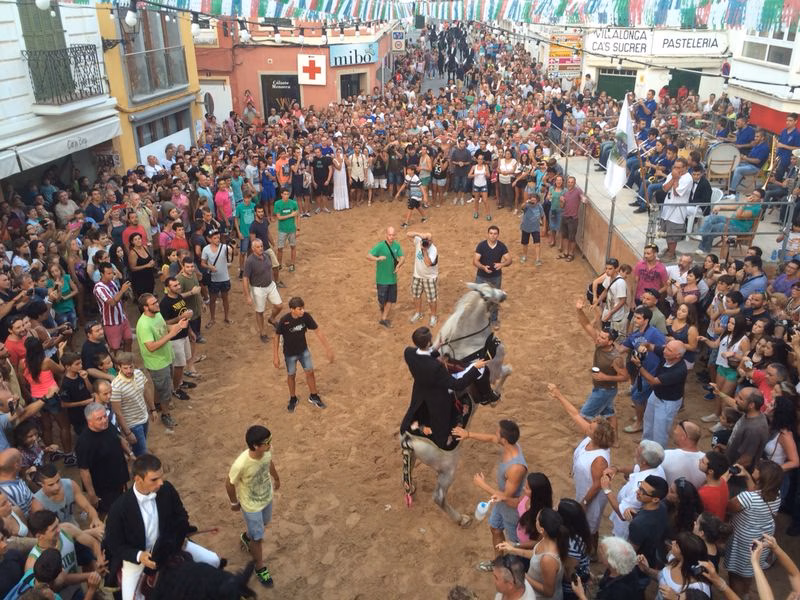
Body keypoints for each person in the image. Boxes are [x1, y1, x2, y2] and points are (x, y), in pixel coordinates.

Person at [105, 453, 220, 600]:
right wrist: (140, 556)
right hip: (139, 559)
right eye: (154, 479)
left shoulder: (167, 489)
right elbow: (115, 544)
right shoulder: (119, 508)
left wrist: (176, 539)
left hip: (170, 545)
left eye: (161, 477)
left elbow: (181, 516)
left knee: (214, 561)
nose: (160, 483)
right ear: (138, 479)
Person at [452, 420, 527, 567]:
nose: (495, 434)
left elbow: (506, 497)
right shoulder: (510, 446)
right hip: (500, 504)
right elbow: (490, 438)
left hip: (512, 510)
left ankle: (515, 573)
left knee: (514, 545)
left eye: (497, 432)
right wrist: (467, 434)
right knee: (495, 528)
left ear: (504, 440)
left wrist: (483, 485)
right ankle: (498, 563)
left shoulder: (516, 468)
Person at [547, 383, 614, 546]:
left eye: (590, 427)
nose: (587, 426)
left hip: (591, 496)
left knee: (590, 526)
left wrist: (584, 503)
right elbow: (575, 414)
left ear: (597, 435)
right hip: (583, 487)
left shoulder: (600, 459)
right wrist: (559, 395)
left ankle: (591, 552)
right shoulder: (592, 439)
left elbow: (597, 484)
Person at [401, 326, 489, 448]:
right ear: (428, 342)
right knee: (459, 407)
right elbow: (457, 385)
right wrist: (475, 368)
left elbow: (422, 356)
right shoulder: (436, 367)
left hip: (420, 393)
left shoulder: (408, 353)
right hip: (437, 399)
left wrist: (435, 349)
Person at [225, 424, 280, 588]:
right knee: (258, 537)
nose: (270, 444)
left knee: (263, 524)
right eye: (267, 442)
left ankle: (247, 537)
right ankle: (260, 567)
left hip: (266, 498)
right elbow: (229, 484)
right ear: (256, 446)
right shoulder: (241, 464)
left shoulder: (266, 452)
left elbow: (269, 463)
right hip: (251, 505)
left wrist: (276, 478)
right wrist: (234, 503)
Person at [724, 459, 783, 597]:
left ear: (761, 476)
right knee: (750, 568)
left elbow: (729, 506)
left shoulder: (747, 498)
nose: (754, 469)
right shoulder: (777, 494)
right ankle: (745, 593)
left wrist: (722, 484)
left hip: (742, 540)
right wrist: (746, 476)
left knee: (735, 573)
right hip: (761, 538)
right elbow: (756, 494)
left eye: (758, 468)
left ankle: (736, 595)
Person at [574, 298, 626, 434]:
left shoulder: (616, 358)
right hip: (604, 389)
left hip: (604, 390)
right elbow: (586, 325)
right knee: (609, 414)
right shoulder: (599, 343)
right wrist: (579, 310)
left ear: (610, 342)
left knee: (584, 416)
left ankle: (592, 442)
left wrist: (605, 377)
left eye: (603, 338)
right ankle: (615, 440)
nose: (598, 338)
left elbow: (625, 377)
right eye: (600, 336)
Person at [273, 297, 333, 412]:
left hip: (303, 351)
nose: (302, 311)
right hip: (290, 354)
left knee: (310, 372)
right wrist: (275, 356)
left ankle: (314, 396)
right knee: (291, 375)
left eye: (303, 308)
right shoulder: (284, 320)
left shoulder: (306, 317)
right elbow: (276, 337)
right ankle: (293, 398)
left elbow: (317, 331)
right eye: (299, 309)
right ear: (292, 309)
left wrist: (328, 348)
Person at [135, 293, 186, 429]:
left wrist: (178, 326)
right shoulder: (143, 325)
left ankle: (158, 404)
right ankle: (165, 414)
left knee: (162, 386)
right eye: (153, 303)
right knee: (165, 389)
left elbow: (164, 328)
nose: (157, 304)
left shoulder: (157, 314)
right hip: (157, 362)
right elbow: (151, 347)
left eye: (156, 301)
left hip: (166, 356)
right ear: (145, 308)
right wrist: (171, 335)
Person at [601, 439, 666, 539]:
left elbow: (622, 514)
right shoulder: (656, 467)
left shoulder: (639, 488)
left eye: (638, 451)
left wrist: (607, 489)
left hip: (625, 528)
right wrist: (617, 469)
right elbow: (635, 468)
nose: (635, 452)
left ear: (644, 461)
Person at [75, 402, 130, 514]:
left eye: (105, 416)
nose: (104, 420)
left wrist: (130, 453)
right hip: (104, 488)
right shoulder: (84, 442)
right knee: (110, 514)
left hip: (119, 478)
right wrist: (92, 495)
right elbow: (84, 471)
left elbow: (118, 438)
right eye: (99, 419)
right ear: (89, 421)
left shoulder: (108, 426)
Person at [631, 340, 688, 448]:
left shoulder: (679, 370)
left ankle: (657, 453)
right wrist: (644, 346)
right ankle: (645, 444)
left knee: (660, 431)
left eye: (669, 350)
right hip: (656, 395)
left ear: (678, 355)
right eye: (666, 347)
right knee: (648, 421)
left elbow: (653, 381)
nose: (664, 350)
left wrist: (639, 366)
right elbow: (650, 345)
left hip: (668, 403)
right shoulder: (666, 352)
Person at [109, 352, 157, 458]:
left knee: (141, 446)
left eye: (131, 367)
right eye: (125, 368)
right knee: (142, 453)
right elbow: (118, 412)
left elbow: (146, 391)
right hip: (132, 424)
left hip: (144, 417)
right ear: (119, 367)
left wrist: (153, 409)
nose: (129, 371)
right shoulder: (116, 386)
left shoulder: (139, 374)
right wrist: (128, 432)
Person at [159, 277, 195, 401]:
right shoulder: (164, 303)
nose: (178, 287)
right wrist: (180, 317)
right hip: (174, 338)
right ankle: (175, 389)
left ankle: (179, 383)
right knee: (179, 365)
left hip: (184, 334)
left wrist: (190, 331)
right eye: (175, 286)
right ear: (168, 288)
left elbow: (184, 315)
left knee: (183, 361)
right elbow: (165, 323)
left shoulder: (179, 297)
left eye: (178, 284)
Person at [569, 537, 640, 600]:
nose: (599, 551)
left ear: (611, 561)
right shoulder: (625, 567)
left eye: (602, 551)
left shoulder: (618, 592)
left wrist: (581, 595)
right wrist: (596, 579)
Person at [243, 239, 284, 343]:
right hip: (258, 289)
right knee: (260, 311)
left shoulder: (266, 256)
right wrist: (247, 295)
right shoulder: (249, 261)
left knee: (279, 305)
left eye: (261, 246)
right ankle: (262, 332)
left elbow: (269, 270)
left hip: (270, 285)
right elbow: (245, 279)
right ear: (253, 249)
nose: (261, 248)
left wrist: (274, 282)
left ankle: (272, 319)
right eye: (258, 247)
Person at [473, 226, 511, 327]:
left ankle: (493, 319)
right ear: (487, 234)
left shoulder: (501, 246)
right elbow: (475, 261)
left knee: (494, 298)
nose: (493, 235)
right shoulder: (481, 245)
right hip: (481, 276)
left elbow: (509, 260)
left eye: (495, 234)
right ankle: (479, 320)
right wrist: (483, 267)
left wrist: (502, 264)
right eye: (491, 233)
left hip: (496, 277)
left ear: (498, 235)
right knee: (479, 298)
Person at [92, 263, 133, 358]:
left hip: (122, 318)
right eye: (108, 273)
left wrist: (124, 313)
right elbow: (112, 302)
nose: (111, 275)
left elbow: (119, 301)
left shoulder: (112, 282)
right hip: (111, 322)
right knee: (115, 348)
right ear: (102, 274)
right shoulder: (99, 288)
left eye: (112, 273)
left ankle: (127, 361)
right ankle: (117, 367)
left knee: (128, 340)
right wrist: (122, 291)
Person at [367, 226, 404, 327]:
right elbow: (368, 256)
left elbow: (402, 257)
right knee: (382, 300)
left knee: (390, 299)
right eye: (389, 235)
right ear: (386, 235)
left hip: (392, 278)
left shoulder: (397, 246)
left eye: (393, 235)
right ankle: (382, 306)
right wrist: (378, 258)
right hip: (382, 279)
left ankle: (383, 318)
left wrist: (399, 265)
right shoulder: (380, 246)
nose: (391, 237)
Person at [725, 387, 769, 472]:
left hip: (737, 474)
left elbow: (746, 460)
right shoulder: (749, 413)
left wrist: (727, 471)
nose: (736, 399)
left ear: (751, 405)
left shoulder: (754, 429)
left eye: (740, 398)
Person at [406, 230, 439, 327]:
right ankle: (418, 313)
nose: (426, 243)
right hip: (417, 275)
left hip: (430, 278)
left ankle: (433, 316)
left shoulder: (433, 250)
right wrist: (420, 235)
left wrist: (424, 250)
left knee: (432, 299)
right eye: (425, 240)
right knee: (416, 295)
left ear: (431, 241)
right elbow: (408, 234)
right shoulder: (418, 242)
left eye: (428, 241)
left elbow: (428, 263)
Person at [661, 420, 705, 488]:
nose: (674, 431)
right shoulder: (706, 460)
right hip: (694, 497)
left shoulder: (666, 455)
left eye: (676, 430)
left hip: (670, 497)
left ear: (683, 437)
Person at [557, 176, 588, 262]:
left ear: (575, 183)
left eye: (572, 182)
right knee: (565, 236)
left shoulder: (577, 190)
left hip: (573, 219)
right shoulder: (565, 193)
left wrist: (583, 199)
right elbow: (561, 206)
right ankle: (566, 252)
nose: (570, 183)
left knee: (572, 238)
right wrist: (561, 201)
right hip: (565, 217)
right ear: (567, 183)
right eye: (569, 182)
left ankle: (571, 254)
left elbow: (582, 197)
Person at [697, 451, 730, 520]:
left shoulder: (703, 494)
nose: (699, 460)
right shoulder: (723, 482)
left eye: (703, 461)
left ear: (711, 471)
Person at [273, 188, 299, 272]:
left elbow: (297, 215)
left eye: (287, 194)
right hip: (282, 230)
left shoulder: (293, 203)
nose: (286, 196)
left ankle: (292, 264)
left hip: (292, 229)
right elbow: (279, 217)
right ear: (281, 194)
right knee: (280, 248)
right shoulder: (277, 204)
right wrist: (291, 215)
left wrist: (298, 228)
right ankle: (279, 264)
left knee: (293, 246)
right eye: (284, 194)